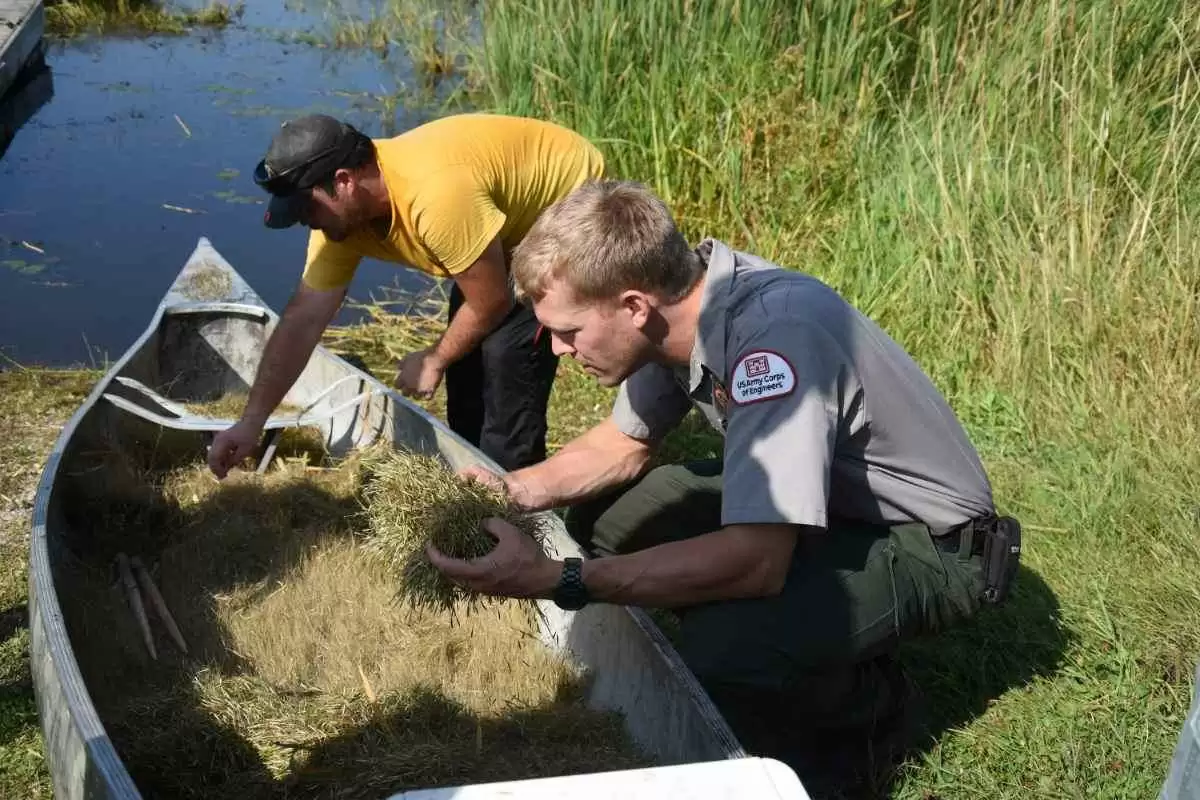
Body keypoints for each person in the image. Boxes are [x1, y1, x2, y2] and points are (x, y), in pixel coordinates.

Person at [424, 180, 1022, 796]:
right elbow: (620, 446)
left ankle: (870, 720)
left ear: (633, 306)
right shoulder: (677, 312)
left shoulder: (772, 345)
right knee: (611, 521)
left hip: (934, 543)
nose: (555, 347)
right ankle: (797, 630)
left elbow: (755, 563)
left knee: (728, 647)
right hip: (829, 504)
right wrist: (507, 492)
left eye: (568, 330)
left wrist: (560, 581)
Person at [207, 112, 606, 479]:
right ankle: (474, 483)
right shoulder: (339, 223)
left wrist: (434, 358)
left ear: (344, 181)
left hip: (568, 207)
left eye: (307, 210)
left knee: (506, 357)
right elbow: (302, 320)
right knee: (467, 370)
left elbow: (492, 301)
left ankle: (518, 513)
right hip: (490, 222)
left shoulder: (434, 196)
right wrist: (252, 421)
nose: (305, 222)